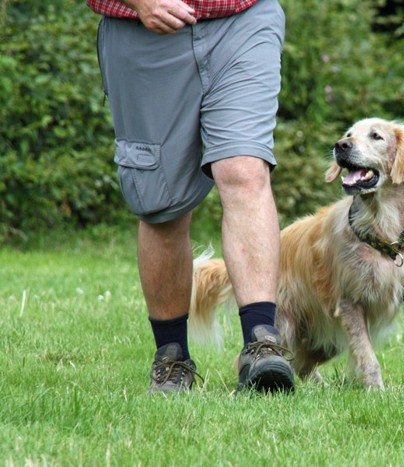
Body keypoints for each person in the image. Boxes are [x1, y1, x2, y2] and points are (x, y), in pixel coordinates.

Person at [88, 0, 295, 393]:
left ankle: (262, 343)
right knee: (161, 203)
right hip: (142, 33)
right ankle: (172, 358)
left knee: (244, 169)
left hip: (243, 19)